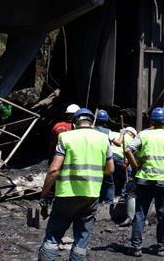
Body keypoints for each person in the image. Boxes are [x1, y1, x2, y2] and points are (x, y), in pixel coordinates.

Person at [38, 108, 114, 261]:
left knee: (53, 235)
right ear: (91, 123)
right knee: (82, 239)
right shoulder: (103, 139)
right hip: (91, 195)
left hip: (66, 195)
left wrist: (44, 194)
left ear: (73, 123)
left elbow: (53, 170)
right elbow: (110, 169)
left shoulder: (65, 138)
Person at [126, 107, 164, 257]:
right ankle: (162, 247)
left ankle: (136, 247)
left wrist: (136, 165)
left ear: (152, 121)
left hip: (144, 180)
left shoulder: (143, 134)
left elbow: (128, 150)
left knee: (140, 214)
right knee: (163, 215)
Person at [94, 110, 121, 204]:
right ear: (106, 121)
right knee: (109, 183)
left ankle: (96, 201)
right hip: (105, 160)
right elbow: (118, 143)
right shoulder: (107, 132)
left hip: (93, 159)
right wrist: (122, 133)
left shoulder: (91, 130)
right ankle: (108, 203)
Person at [118, 127, 138, 227]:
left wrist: (133, 164)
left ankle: (131, 217)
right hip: (154, 175)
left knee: (131, 193)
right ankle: (137, 218)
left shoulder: (140, 139)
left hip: (140, 173)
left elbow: (129, 151)